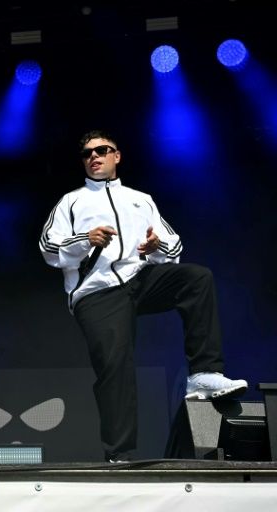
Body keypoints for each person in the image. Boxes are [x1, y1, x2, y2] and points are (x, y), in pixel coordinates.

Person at [39, 130, 247, 462]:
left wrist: (156, 246)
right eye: (87, 153)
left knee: (196, 278)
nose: (94, 157)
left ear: (117, 156)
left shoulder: (141, 199)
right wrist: (85, 240)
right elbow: (49, 248)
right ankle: (119, 455)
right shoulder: (72, 201)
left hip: (139, 277)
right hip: (97, 291)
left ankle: (203, 374)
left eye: (102, 150)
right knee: (115, 365)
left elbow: (174, 246)